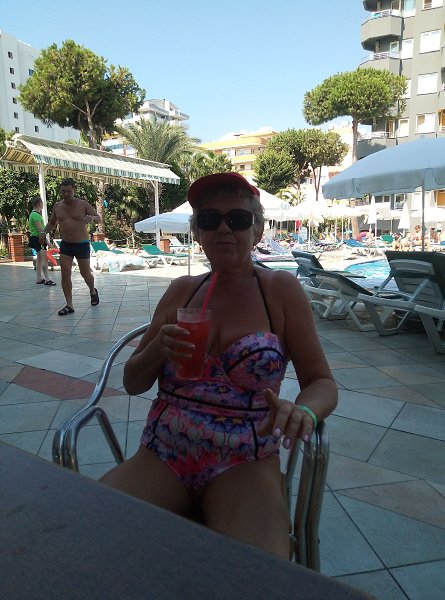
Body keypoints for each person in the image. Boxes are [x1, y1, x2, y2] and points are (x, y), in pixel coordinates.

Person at [100, 172, 338, 559]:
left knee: (256, 570)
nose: (224, 229)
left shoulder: (279, 290)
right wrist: (159, 347)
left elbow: (322, 382)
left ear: (257, 230)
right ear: (198, 232)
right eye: (210, 219)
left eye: (238, 219)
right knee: (89, 526)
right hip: (164, 451)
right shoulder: (182, 290)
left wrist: (305, 411)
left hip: (246, 458)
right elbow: (132, 382)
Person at [39, 178, 101, 316]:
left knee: (85, 274)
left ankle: (92, 291)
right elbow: (52, 223)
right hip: (66, 244)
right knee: (65, 273)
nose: (66, 194)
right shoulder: (58, 206)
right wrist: (43, 232)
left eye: (69, 191)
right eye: (63, 191)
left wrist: (92, 218)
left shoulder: (83, 204)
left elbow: (99, 218)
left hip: (81, 244)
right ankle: (69, 305)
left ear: (74, 190)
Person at [28, 196, 56, 286]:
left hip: (36, 238)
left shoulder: (34, 214)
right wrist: (47, 242)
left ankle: (39, 278)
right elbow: (40, 230)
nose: (43, 204)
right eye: (42, 203)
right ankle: (47, 279)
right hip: (39, 239)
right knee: (44, 259)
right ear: (39, 203)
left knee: (39, 259)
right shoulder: (35, 215)